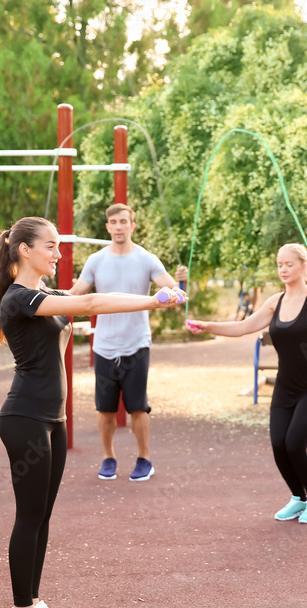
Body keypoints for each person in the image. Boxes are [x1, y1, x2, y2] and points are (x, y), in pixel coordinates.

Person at [0, 216, 184, 608]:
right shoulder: (19, 299)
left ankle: (32, 603)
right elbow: (92, 305)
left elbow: (94, 302)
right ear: (24, 249)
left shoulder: (48, 294)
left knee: (42, 517)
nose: (58, 253)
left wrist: (155, 294)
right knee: (29, 517)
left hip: (51, 419)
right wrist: (154, 301)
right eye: (50, 246)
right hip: (24, 418)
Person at [186, 243, 307, 524]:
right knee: (278, 444)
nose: (283, 269)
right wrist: (207, 325)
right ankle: (299, 498)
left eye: (289, 264)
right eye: (279, 264)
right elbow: (243, 326)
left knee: (295, 444)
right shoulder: (276, 301)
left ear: (304, 267)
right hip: (286, 386)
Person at [69, 203, 188, 482]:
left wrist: (180, 287)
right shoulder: (96, 260)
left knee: (138, 407)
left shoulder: (147, 259)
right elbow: (76, 295)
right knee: (105, 409)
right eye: (114, 222)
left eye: (124, 221)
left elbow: (172, 292)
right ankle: (108, 458)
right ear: (108, 227)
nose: (119, 226)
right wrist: (42, 290)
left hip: (136, 344)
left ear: (132, 226)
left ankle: (144, 459)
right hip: (105, 346)